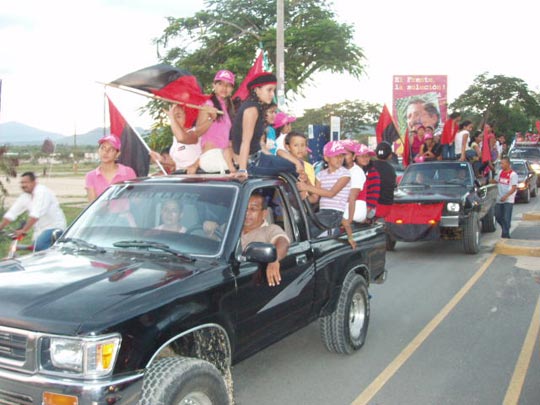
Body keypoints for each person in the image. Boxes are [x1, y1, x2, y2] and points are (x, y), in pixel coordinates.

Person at [230, 72, 297, 177]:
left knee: (295, 165)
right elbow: (245, 141)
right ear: (257, 90)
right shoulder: (252, 109)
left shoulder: (255, 106)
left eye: (273, 90)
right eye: (269, 90)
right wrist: (242, 169)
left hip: (258, 158)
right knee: (295, 166)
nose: (272, 94)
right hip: (252, 163)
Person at [296, 141, 355, 248]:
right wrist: (306, 182)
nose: (339, 159)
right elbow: (314, 198)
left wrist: (306, 187)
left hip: (334, 214)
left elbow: (331, 193)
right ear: (327, 158)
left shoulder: (345, 173)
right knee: (299, 225)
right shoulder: (320, 175)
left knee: (303, 232)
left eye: (341, 156)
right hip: (323, 213)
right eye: (335, 156)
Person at [0, 172, 67, 251]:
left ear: (34, 182)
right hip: (39, 230)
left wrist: (23, 230)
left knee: (39, 247)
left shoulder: (42, 192)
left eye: (26, 182)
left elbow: (35, 215)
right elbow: (11, 213)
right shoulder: (25, 196)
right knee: (36, 251)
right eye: (22, 183)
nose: (23, 185)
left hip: (54, 227)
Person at [241, 193, 290, 287]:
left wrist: (274, 259)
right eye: (245, 208)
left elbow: (283, 243)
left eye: (253, 209)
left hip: (252, 281)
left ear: (264, 213)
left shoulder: (270, 229)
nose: (247, 213)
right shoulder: (233, 228)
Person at [193, 70, 237, 174]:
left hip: (224, 157)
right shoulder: (208, 104)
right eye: (220, 84)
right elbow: (197, 132)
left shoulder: (228, 108)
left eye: (228, 85)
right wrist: (211, 118)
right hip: (212, 157)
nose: (224, 88)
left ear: (232, 89)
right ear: (214, 85)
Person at [150, 105, 202, 174]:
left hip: (198, 179)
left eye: (178, 116)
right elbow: (178, 164)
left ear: (189, 117)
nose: (174, 120)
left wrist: (195, 165)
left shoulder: (195, 133)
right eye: (173, 117)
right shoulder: (175, 138)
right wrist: (161, 160)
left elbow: (181, 138)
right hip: (183, 179)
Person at [85, 135, 137, 202]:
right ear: (98, 151)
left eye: (111, 149)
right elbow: (92, 204)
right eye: (103, 148)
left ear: (117, 154)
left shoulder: (128, 172)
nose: (106, 152)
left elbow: (135, 198)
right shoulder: (91, 176)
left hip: (124, 212)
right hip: (101, 212)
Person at [491, 157, 518, 238]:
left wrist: (506, 196)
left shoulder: (513, 174)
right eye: (501, 163)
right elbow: (495, 181)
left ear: (508, 164)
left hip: (508, 200)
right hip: (499, 199)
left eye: (503, 163)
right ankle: (505, 228)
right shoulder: (500, 172)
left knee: (506, 218)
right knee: (498, 216)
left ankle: (505, 235)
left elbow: (513, 188)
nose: (501, 165)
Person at [342, 141, 367, 223]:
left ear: (354, 156)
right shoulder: (341, 171)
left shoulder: (356, 172)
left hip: (354, 212)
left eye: (345, 154)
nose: (342, 157)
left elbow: (352, 197)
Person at [373, 141, 396, 219]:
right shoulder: (391, 169)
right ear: (390, 156)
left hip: (370, 207)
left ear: (375, 154)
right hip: (386, 207)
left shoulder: (368, 166)